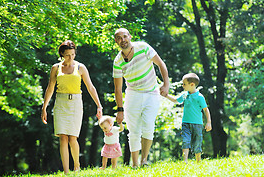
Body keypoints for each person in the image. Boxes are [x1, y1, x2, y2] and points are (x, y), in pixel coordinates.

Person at [41, 40, 103, 174]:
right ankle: (66, 172)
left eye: (73, 54)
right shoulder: (55, 68)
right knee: (63, 137)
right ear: (62, 54)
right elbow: (50, 88)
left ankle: (76, 166)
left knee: (72, 137)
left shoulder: (81, 67)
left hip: (75, 104)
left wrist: (99, 105)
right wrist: (44, 107)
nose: (71, 57)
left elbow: (90, 87)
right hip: (60, 104)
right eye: (68, 55)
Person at [112, 28, 170, 167]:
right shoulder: (118, 61)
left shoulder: (143, 48)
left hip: (151, 92)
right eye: (119, 38)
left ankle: (144, 160)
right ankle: (135, 164)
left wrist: (166, 84)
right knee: (133, 130)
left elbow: (161, 64)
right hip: (133, 94)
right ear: (116, 41)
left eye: (125, 36)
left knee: (149, 126)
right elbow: (118, 89)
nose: (122, 40)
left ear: (130, 36)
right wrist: (120, 110)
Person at [163, 73, 212, 163]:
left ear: (192, 84)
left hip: (197, 124)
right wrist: (166, 95)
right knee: (185, 140)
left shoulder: (200, 97)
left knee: (197, 143)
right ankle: (185, 161)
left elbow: (206, 110)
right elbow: (175, 100)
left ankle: (198, 161)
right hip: (185, 123)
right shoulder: (185, 95)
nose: (183, 86)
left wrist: (208, 122)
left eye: (184, 84)